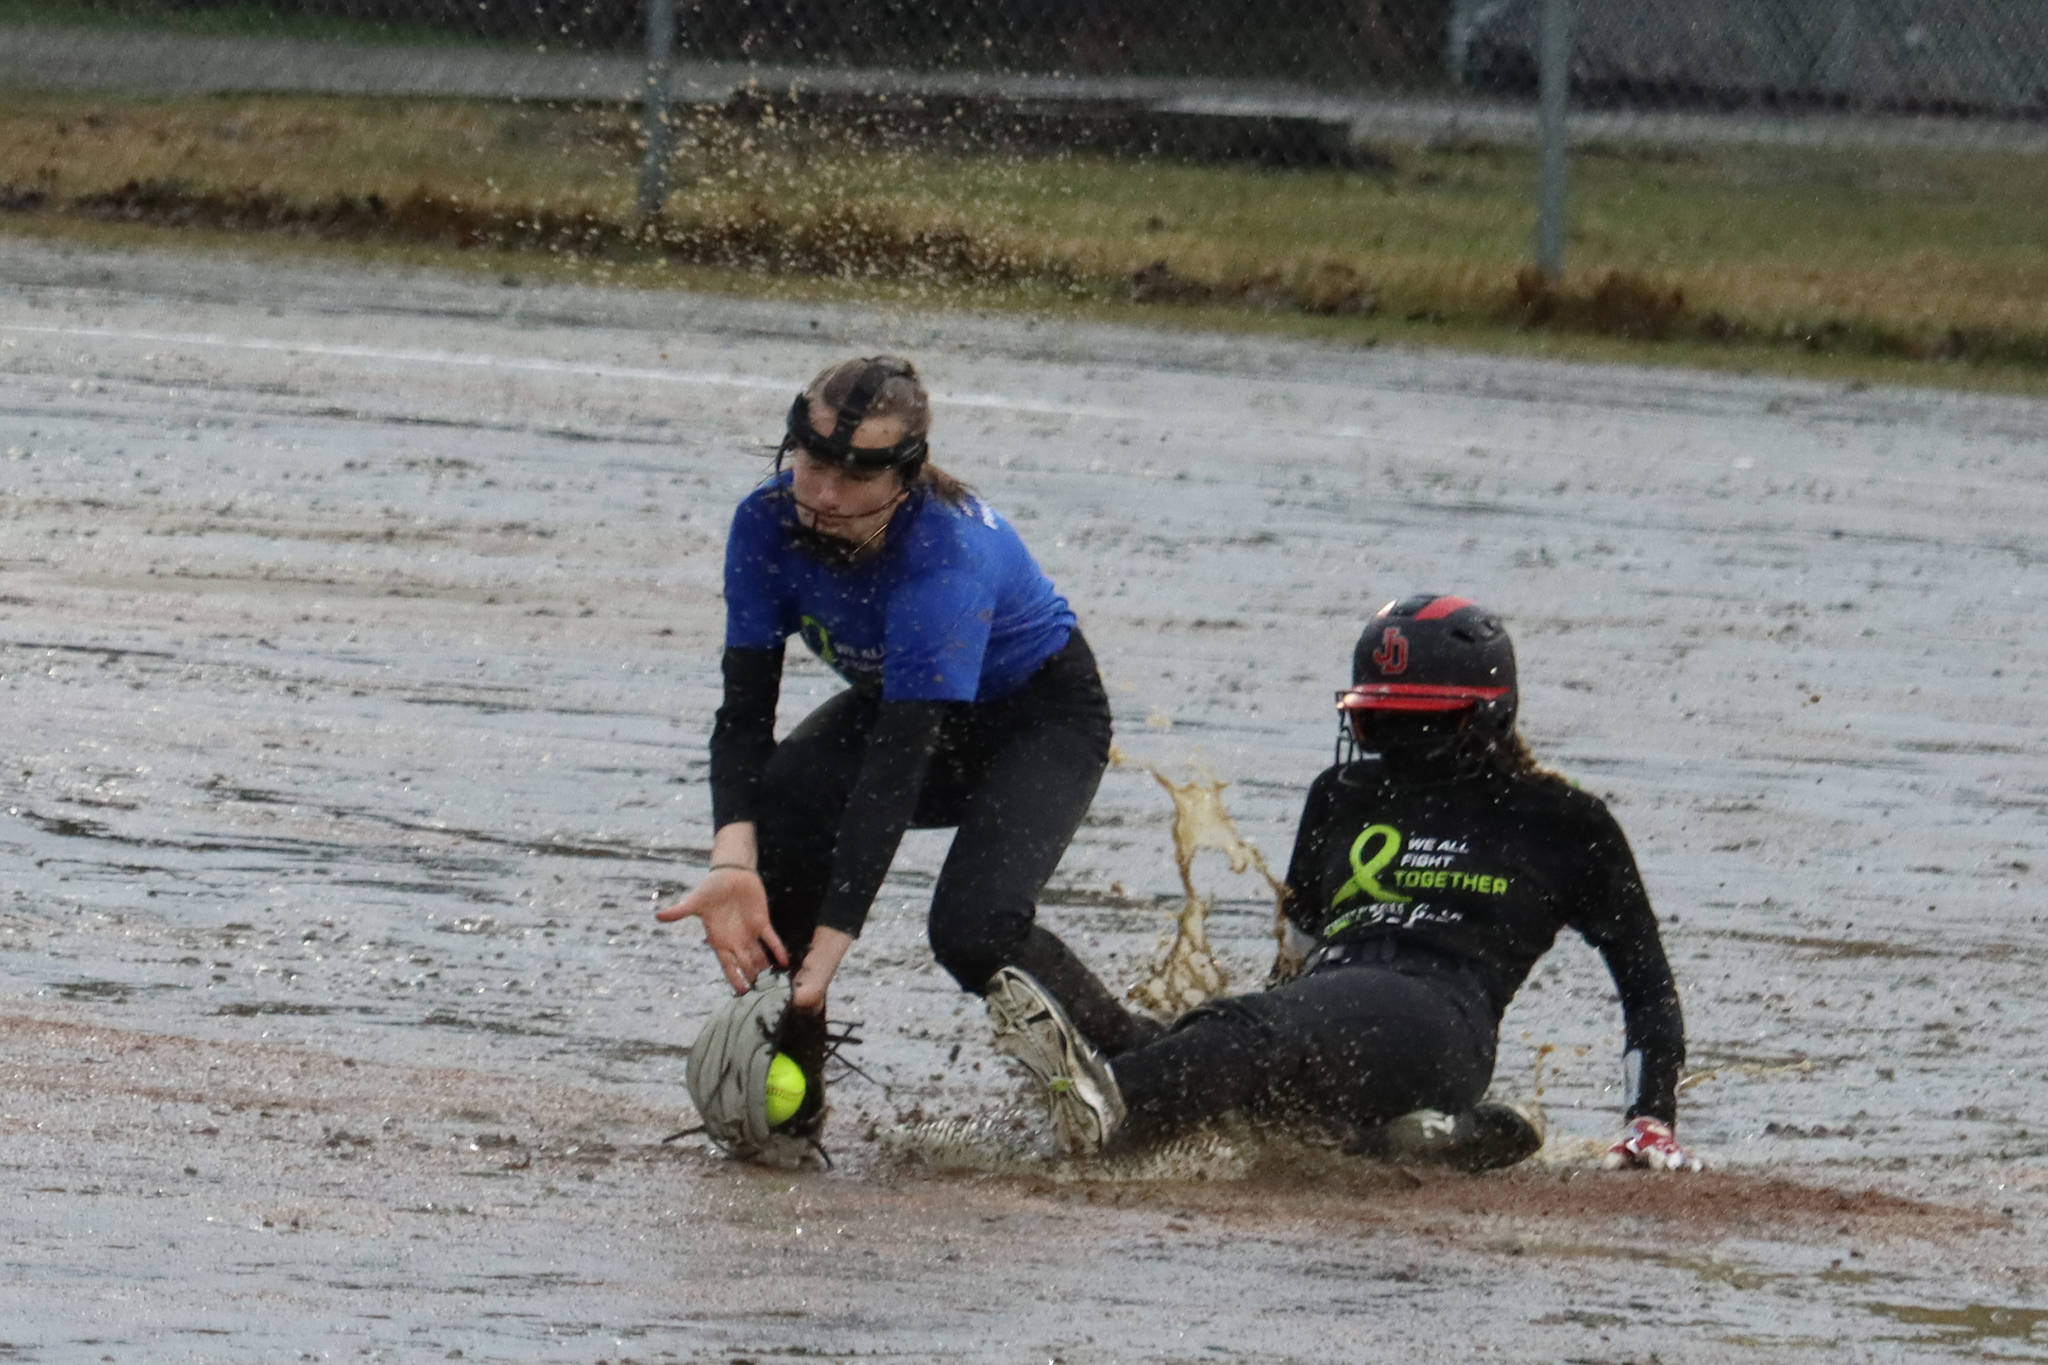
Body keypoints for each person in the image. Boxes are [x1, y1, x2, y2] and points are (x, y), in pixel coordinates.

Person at [986, 593, 1704, 1173]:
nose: (1390, 744)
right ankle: (1435, 1140)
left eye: (1411, 725)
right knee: (1241, 1037)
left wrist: (1651, 1122)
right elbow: (1294, 961)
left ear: (1485, 716)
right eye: (1373, 723)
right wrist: (1239, 1035)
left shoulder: (1563, 817)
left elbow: (1645, 983)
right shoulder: (1338, 794)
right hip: (1333, 999)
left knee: (1250, 1031)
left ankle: (1108, 1112)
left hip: (1441, 1019)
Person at [656, 356, 1156, 1119]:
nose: (823, 495)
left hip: (1039, 718)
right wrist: (734, 859)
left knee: (972, 929)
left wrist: (830, 950)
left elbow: (891, 777)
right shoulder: (764, 519)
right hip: (906, 707)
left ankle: (1157, 1066)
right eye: (813, 462)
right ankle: (790, 1101)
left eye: (856, 478)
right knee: (785, 800)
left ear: (905, 476)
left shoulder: (943, 558)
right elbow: (744, 714)